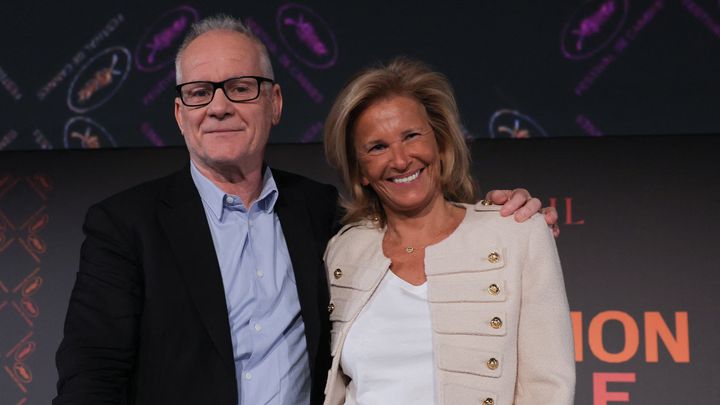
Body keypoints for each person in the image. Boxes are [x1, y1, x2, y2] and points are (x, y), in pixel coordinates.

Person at [54, 15, 557, 405]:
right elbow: (91, 376)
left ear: (274, 103)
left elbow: (422, 218)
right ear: (180, 113)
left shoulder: (325, 218)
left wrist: (499, 219)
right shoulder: (125, 225)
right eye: (199, 92)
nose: (220, 106)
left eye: (241, 87)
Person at [322, 58, 575, 405]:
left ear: (440, 144)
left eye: (411, 136)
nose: (399, 160)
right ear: (361, 170)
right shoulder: (342, 251)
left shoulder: (517, 233)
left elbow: (548, 388)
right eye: (378, 147)